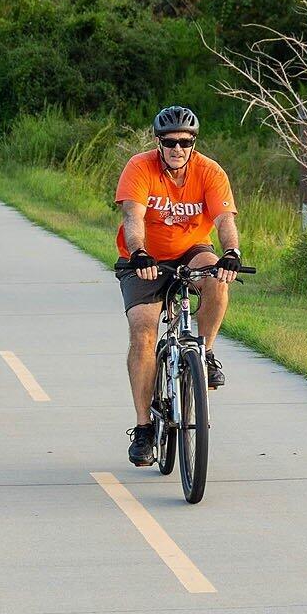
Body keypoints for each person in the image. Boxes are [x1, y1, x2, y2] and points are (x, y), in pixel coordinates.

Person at [116, 105, 242, 468]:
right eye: (170, 142)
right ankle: (144, 430)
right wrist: (139, 253)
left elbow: (224, 219)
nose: (177, 149)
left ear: (193, 143)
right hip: (145, 259)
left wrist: (232, 252)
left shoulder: (209, 171)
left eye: (185, 142)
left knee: (217, 277)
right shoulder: (140, 167)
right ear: (158, 142)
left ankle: (205, 353)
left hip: (191, 250)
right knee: (143, 331)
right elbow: (133, 216)